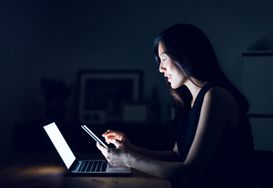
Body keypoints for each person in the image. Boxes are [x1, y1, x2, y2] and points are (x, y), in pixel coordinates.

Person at [96, 23, 255, 188]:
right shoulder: (192, 99)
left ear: (185, 55)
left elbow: (189, 172)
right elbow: (175, 156)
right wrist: (130, 149)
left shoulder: (216, 96)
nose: (160, 68)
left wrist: (128, 160)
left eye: (164, 59)